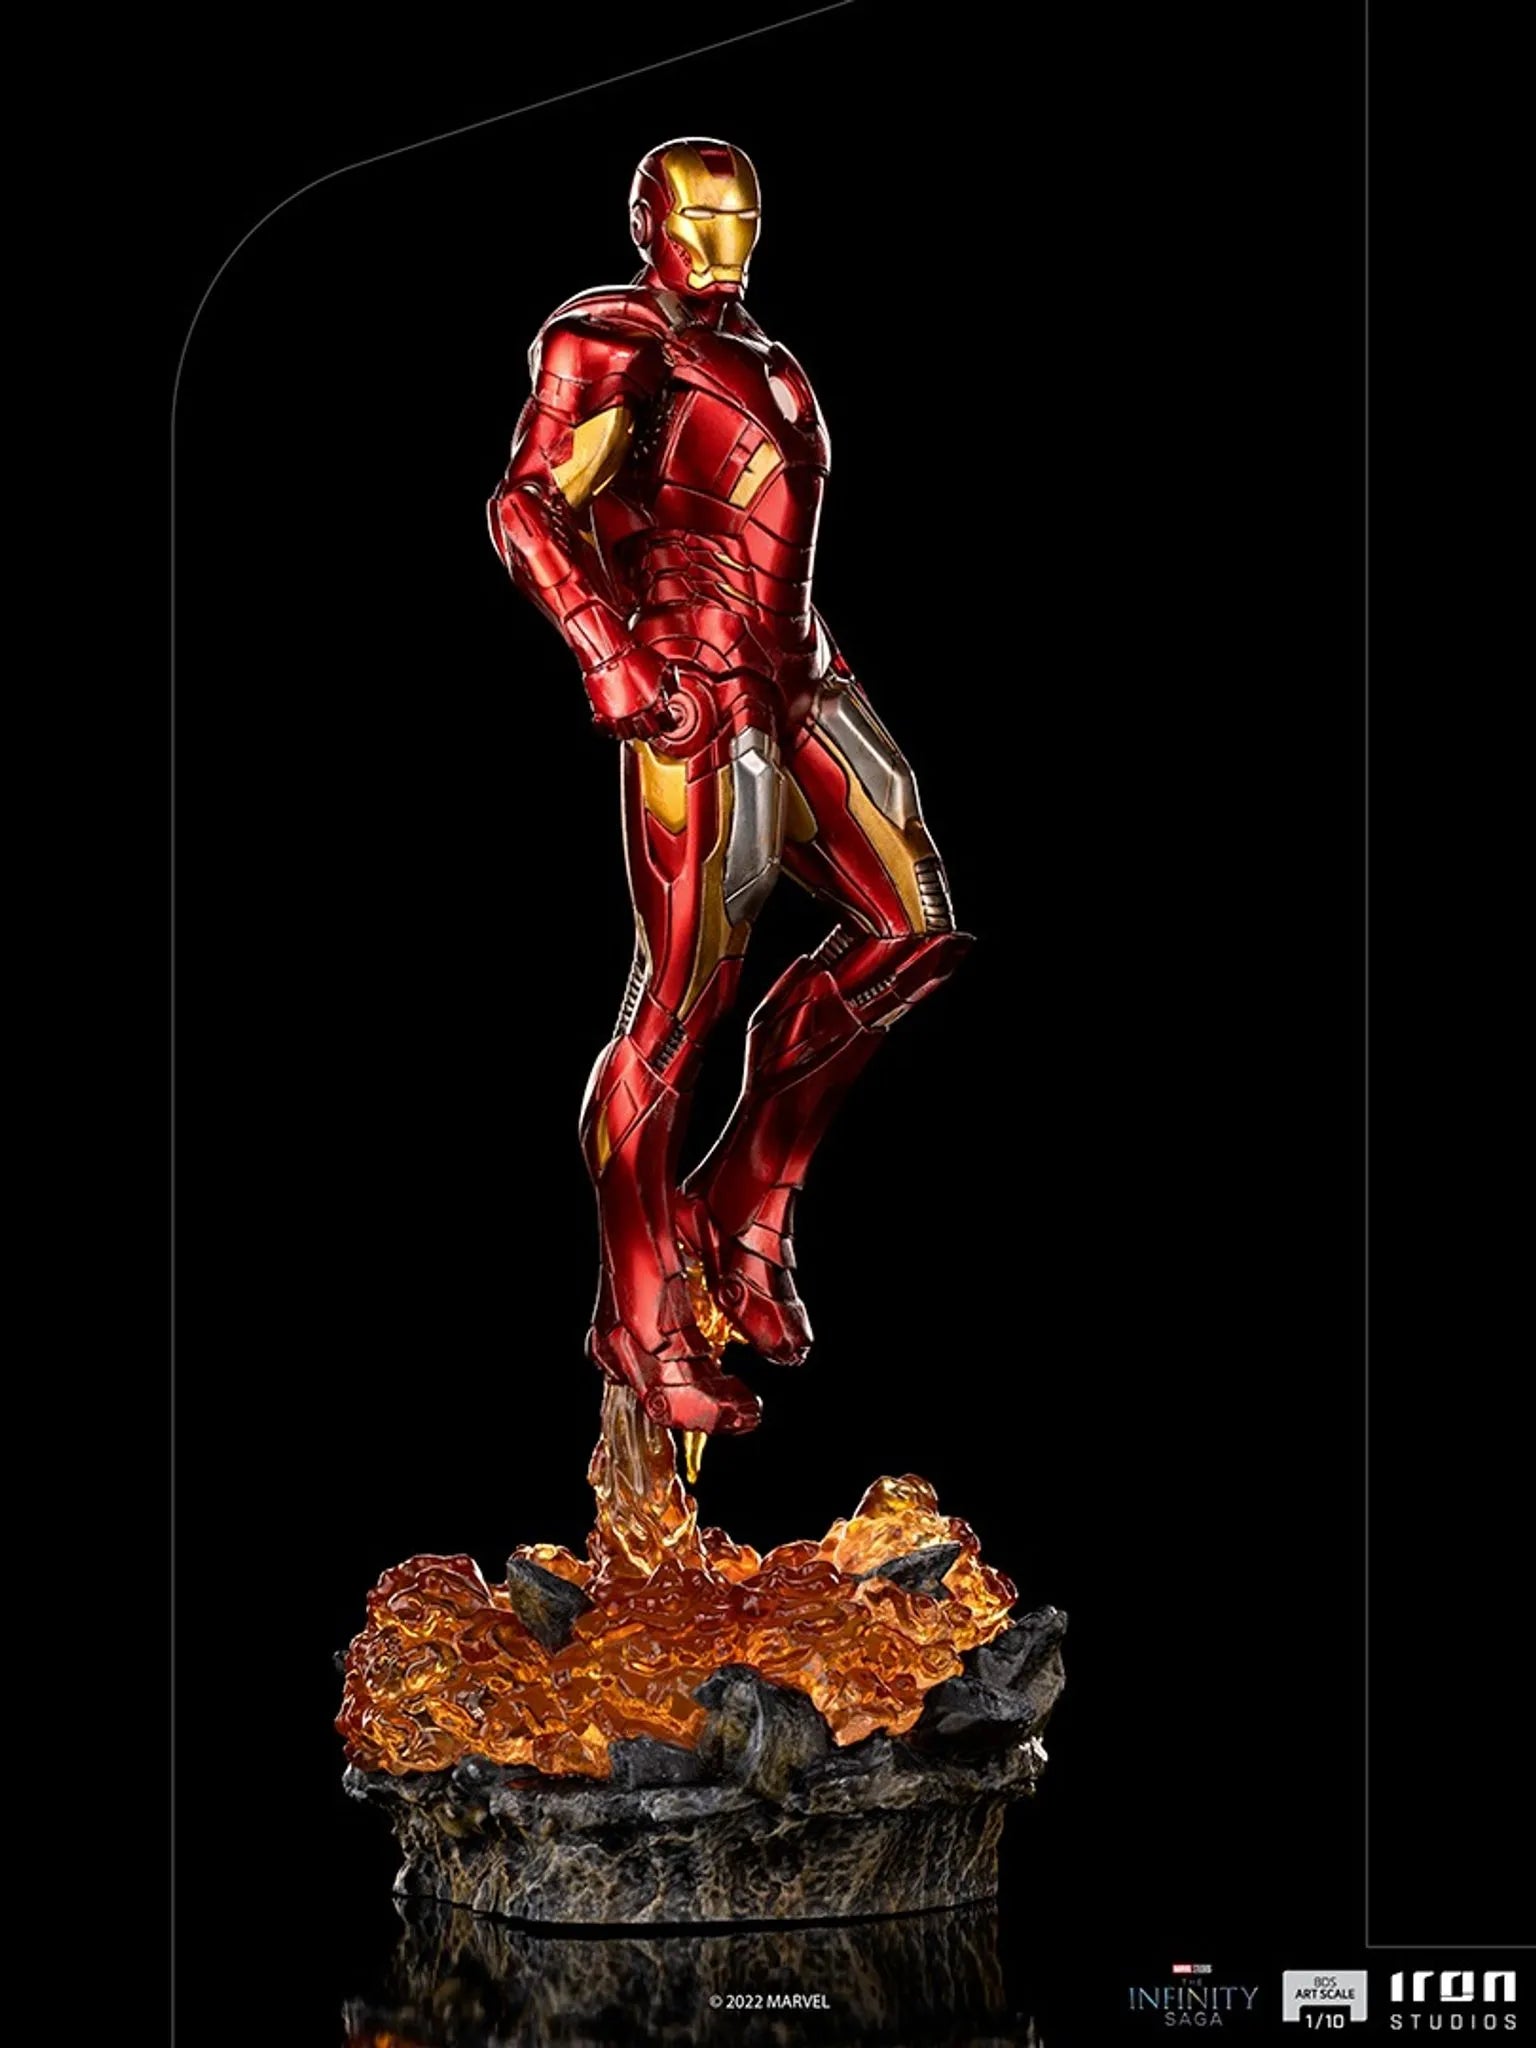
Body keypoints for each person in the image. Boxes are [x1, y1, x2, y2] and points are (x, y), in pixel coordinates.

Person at [489, 138, 970, 1436]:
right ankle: (637, 1315)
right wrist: (610, 656)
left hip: (803, 671)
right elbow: (528, 506)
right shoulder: (611, 338)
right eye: (703, 220)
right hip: (695, 689)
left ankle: (743, 1206)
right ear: (651, 220)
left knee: (913, 932)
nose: (726, 244)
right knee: (678, 1009)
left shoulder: (758, 348)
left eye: (743, 220)